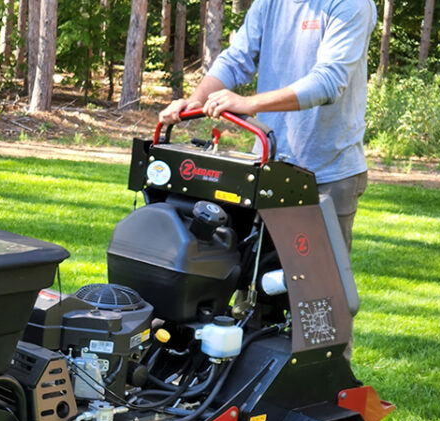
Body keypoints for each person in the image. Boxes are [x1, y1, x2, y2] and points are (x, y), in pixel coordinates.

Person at [159, 0, 377, 252]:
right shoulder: (269, 3)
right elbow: (235, 59)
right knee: (249, 269)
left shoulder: (351, 4)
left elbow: (328, 81)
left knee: (316, 276)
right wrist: (195, 102)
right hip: (267, 169)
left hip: (327, 174)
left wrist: (248, 103)